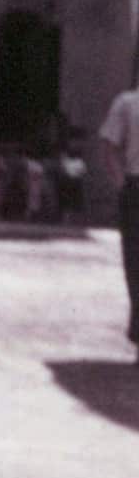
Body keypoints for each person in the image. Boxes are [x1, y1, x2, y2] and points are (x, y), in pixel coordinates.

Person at [99, 84, 139, 362]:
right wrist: (122, 183)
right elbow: (109, 145)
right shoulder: (127, 103)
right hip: (136, 186)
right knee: (135, 262)